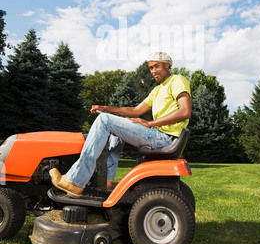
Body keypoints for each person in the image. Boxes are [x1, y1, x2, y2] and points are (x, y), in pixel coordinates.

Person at [50, 52, 191, 198]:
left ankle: (75, 181)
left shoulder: (177, 80)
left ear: (167, 65)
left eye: (157, 66)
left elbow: (185, 111)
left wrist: (150, 123)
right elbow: (136, 110)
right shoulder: (156, 90)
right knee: (116, 130)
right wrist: (106, 108)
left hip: (164, 137)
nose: (153, 71)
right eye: (150, 68)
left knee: (104, 120)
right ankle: (106, 183)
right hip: (158, 135)